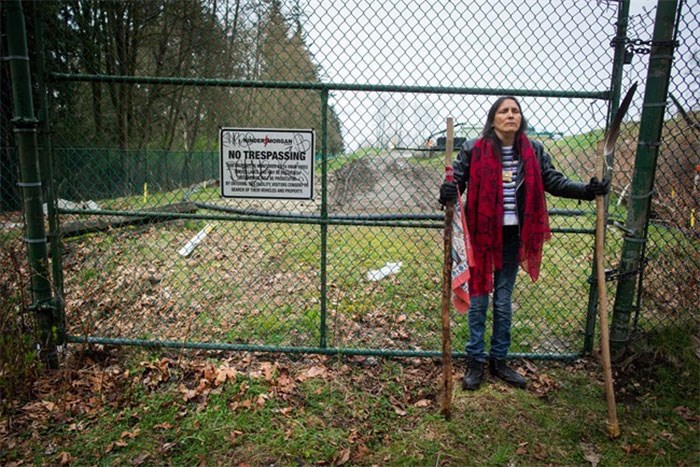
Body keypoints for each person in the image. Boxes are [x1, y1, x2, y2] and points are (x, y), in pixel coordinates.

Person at [439, 96, 609, 390]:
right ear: (493, 119)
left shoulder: (534, 150)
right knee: (479, 299)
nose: (510, 115)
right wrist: (447, 190)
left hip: (512, 237)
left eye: (515, 111)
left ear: (521, 118)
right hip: (480, 235)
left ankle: (499, 361)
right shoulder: (473, 148)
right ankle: (476, 361)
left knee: (503, 300)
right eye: (503, 111)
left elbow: (554, 182)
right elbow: (458, 181)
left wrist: (587, 189)